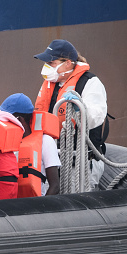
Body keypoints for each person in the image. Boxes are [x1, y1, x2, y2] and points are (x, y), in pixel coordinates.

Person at [34, 39, 108, 189]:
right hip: (53, 161)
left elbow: (97, 115)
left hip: (80, 163)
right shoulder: (51, 84)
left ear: (67, 63)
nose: (47, 67)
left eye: (52, 63)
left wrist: (80, 109)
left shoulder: (90, 82)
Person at [1, 93, 61, 196]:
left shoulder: (45, 141)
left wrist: (41, 209)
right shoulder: (7, 142)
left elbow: (55, 186)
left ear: (19, 120)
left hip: (36, 205)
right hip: (12, 204)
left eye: (7, 119)